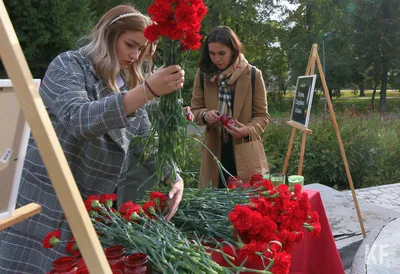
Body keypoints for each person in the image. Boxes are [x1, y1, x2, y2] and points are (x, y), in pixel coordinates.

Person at [0, 5, 185, 273]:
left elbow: (144, 140)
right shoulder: (69, 65)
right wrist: (148, 90)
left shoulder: (129, 83)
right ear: (109, 36)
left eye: (142, 51)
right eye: (130, 45)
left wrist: (173, 176)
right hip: (48, 199)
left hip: (93, 206)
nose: (135, 56)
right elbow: (79, 119)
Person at [191, 26, 270, 188]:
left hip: (244, 149)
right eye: (212, 53)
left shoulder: (253, 75)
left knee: (246, 204)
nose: (216, 59)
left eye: (222, 53)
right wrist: (206, 115)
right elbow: (195, 110)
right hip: (215, 151)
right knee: (214, 201)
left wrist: (247, 130)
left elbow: (262, 116)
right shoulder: (203, 75)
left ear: (233, 51)